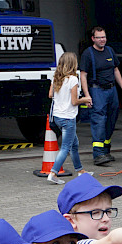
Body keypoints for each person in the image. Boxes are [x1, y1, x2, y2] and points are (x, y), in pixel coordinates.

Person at [79, 27, 122, 167]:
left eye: (104, 37)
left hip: (112, 90)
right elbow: (83, 75)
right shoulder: (88, 54)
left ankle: (106, 151)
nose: (102, 40)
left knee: (111, 120)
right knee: (99, 121)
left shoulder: (109, 51)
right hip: (97, 91)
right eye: (99, 37)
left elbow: (115, 70)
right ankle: (98, 154)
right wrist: (87, 95)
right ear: (93, 38)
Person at [46, 52, 92, 184]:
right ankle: (53, 173)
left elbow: (50, 95)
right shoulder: (73, 79)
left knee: (74, 144)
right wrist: (86, 99)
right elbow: (74, 101)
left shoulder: (56, 77)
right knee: (66, 147)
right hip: (68, 117)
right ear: (73, 64)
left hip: (58, 116)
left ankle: (80, 171)